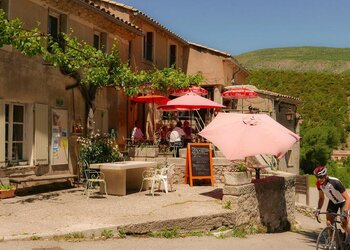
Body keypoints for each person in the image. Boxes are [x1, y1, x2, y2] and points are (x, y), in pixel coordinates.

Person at [314, 166, 350, 235]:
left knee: (344, 224)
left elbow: (348, 198)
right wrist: (318, 209)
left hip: (343, 201)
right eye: (317, 177)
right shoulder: (319, 184)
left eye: (321, 177)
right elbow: (321, 198)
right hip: (333, 202)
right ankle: (333, 242)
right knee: (329, 223)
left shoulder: (335, 182)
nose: (319, 179)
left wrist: (345, 211)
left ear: (325, 175)